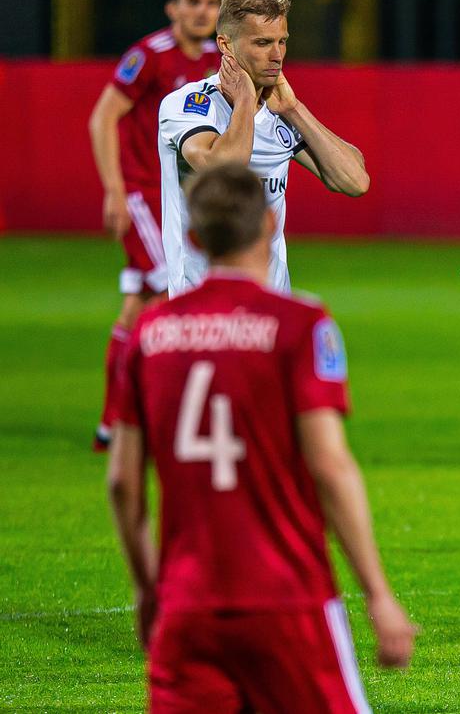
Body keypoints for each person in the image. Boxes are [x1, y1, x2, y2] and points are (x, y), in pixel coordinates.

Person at [107, 163, 414, 712]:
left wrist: (147, 591)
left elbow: (123, 484)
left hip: (187, 605)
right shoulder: (300, 324)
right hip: (288, 599)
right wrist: (378, 594)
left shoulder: (148, 335)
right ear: (270, 225)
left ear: (194, 238)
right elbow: (330, 466)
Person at [157, 0, 370, 297]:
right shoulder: (190, 106)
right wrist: (245, 100)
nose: (277, 55)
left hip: (272, 307)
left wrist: (294, 110)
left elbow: (355, 181)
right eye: (262, 42)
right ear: (226, 45)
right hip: (204, 306)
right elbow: (224, 166)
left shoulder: (280, 108)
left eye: (282, 41)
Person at [89, 0, 223, 451]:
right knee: (174, 288)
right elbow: (103, 117)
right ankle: (166, 413)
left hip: (180, 199)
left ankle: (115, 420)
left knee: (140, 304)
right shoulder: (149, 56)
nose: (202, 11)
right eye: (192, 2)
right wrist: (114, 189)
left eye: (211, 2)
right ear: (173, 9)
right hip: (145, 194)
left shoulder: (216, 58)